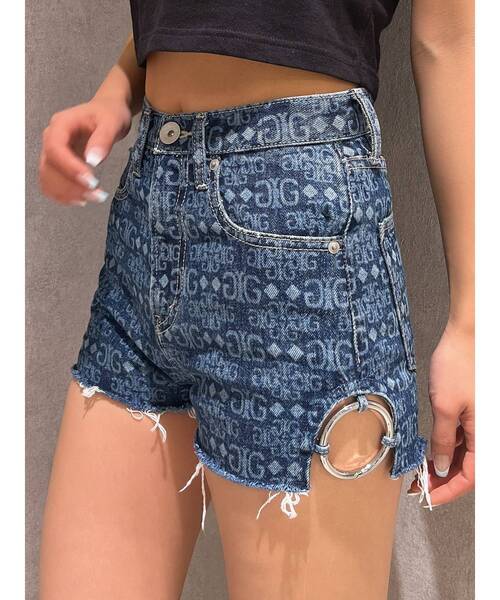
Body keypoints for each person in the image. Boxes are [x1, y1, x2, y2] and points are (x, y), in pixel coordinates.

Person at [37, 1, 474, 598]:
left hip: (302, 234)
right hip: (146, 215)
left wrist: (473, 324)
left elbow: (453, 40)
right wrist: (118, 87)